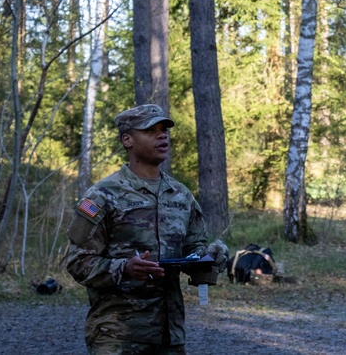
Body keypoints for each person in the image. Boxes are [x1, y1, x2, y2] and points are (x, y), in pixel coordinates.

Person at [66, 104, 228, 354]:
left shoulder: (181, 195)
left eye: (163, 130)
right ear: (127, 139)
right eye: (151, 130)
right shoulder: (102, 195)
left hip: (169, 336)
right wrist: (124, 268)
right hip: (117, 336)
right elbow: (77, 260)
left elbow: (192, 250)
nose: (162, 135)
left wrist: (209, 258)